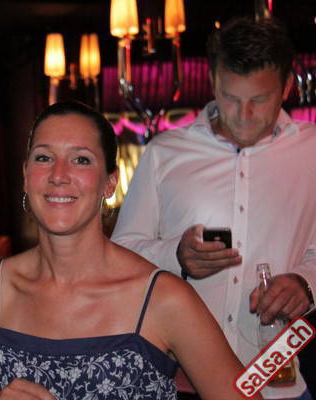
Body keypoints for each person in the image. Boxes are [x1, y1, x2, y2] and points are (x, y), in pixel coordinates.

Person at [0, 101, 258, 400]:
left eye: (81, 160)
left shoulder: (164, 298)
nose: (58, 175)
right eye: (44, 157)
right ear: (26, 175)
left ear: (110, 182)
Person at [111, 17, 316, 400]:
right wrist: (176, 257)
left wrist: (306, 283)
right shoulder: (164, 153)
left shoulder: (312, 152)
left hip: (278, 383)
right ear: (212, 82)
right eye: (230, 97)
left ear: (287, 86)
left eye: (258, 100)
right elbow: (119, 255)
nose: (243, 114)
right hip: (180, 383)